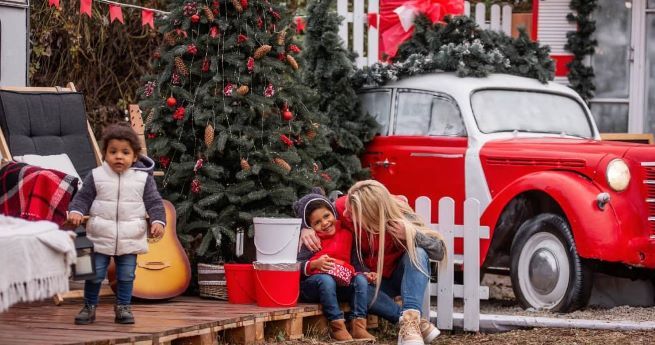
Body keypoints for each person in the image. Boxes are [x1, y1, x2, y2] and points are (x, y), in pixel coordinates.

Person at [300, 180, 446, 345]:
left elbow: (439, 251)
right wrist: (304, 226)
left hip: (399, 280)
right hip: (367, 284)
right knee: (358, 283)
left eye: (351, 212)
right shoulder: (342, 207)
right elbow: (311, 205)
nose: (345, 214)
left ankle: (411, 318)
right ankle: (410, 324)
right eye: (346, 208)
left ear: (371, 214)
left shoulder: (398, 214)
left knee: (418, 252)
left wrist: (411, 235)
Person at [67, 123, 165, 325]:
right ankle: (89, 306)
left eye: (125, 152)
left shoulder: (143, 179)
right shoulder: (97, 176)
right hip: (100, 236)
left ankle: (123, 307)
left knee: (127, 275)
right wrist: (76, 211)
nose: (119, 156)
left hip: (131, 236)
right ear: (104, 154)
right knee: (94, 275)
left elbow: (154, 202)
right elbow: (82, 198)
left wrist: (158, 221)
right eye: (113, 152)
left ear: (135, 156)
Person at [293, 188, 376, 341]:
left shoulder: (347, 234)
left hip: (340, 285)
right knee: (326, 279)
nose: (324, 223)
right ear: (310, 225)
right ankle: (337, 326)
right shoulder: (310, 239)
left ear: (333, 212)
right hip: (313, 287)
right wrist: (314, 264)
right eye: (317, 222)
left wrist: (365, 273)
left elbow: (356, 263)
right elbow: (296, 265)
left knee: (360, 280)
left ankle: (358, 325)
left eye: (326, 216)